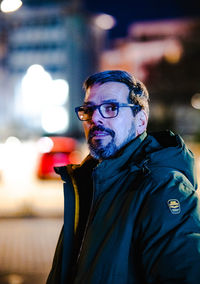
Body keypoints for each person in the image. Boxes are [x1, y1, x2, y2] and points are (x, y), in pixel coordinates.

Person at [46, 70, 200, 284]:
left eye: (110, 108)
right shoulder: (90, 180)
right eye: (89, 110)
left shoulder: (163, 186)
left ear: (141, 121)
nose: (95, 118)